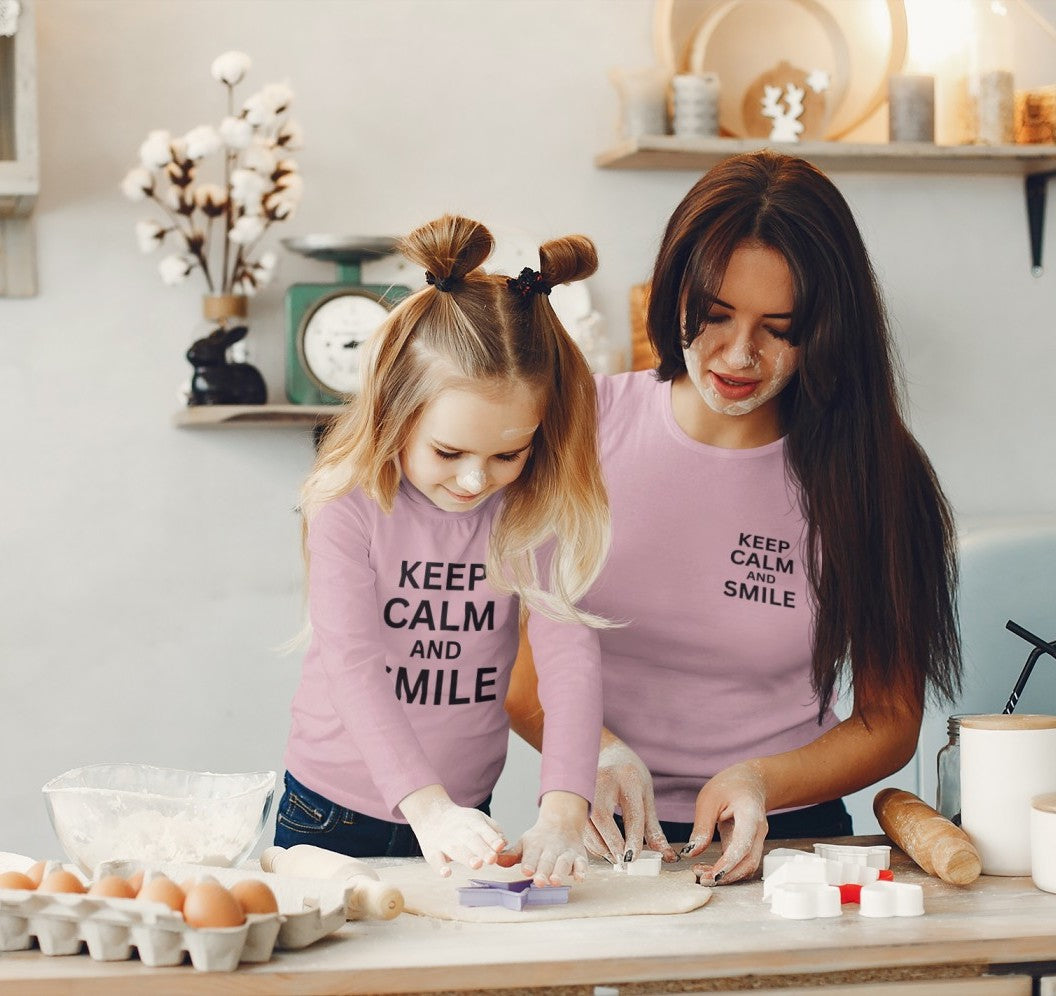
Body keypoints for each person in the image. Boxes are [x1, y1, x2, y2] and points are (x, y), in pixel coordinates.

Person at [506, 150, 962, 885]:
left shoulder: (876, 472)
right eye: (715, 316)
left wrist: (760, 781)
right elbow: (525, 687)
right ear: (672, 291)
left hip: (791, 846)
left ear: (827, 328)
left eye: (779, 328)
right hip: (601, 838)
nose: (739, 355)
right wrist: (600, 754)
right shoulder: (577, 429)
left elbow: (889, 718)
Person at [276, 214, 611, 884]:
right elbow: (353, 666)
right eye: (448, 451)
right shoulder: (345, 504)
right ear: (394, 412)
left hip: (465, 812)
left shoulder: (529, 512)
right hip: (333, 816)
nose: (473, 479)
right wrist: (427, 810)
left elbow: (569, 665)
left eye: (506, 453)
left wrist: (565, 809)